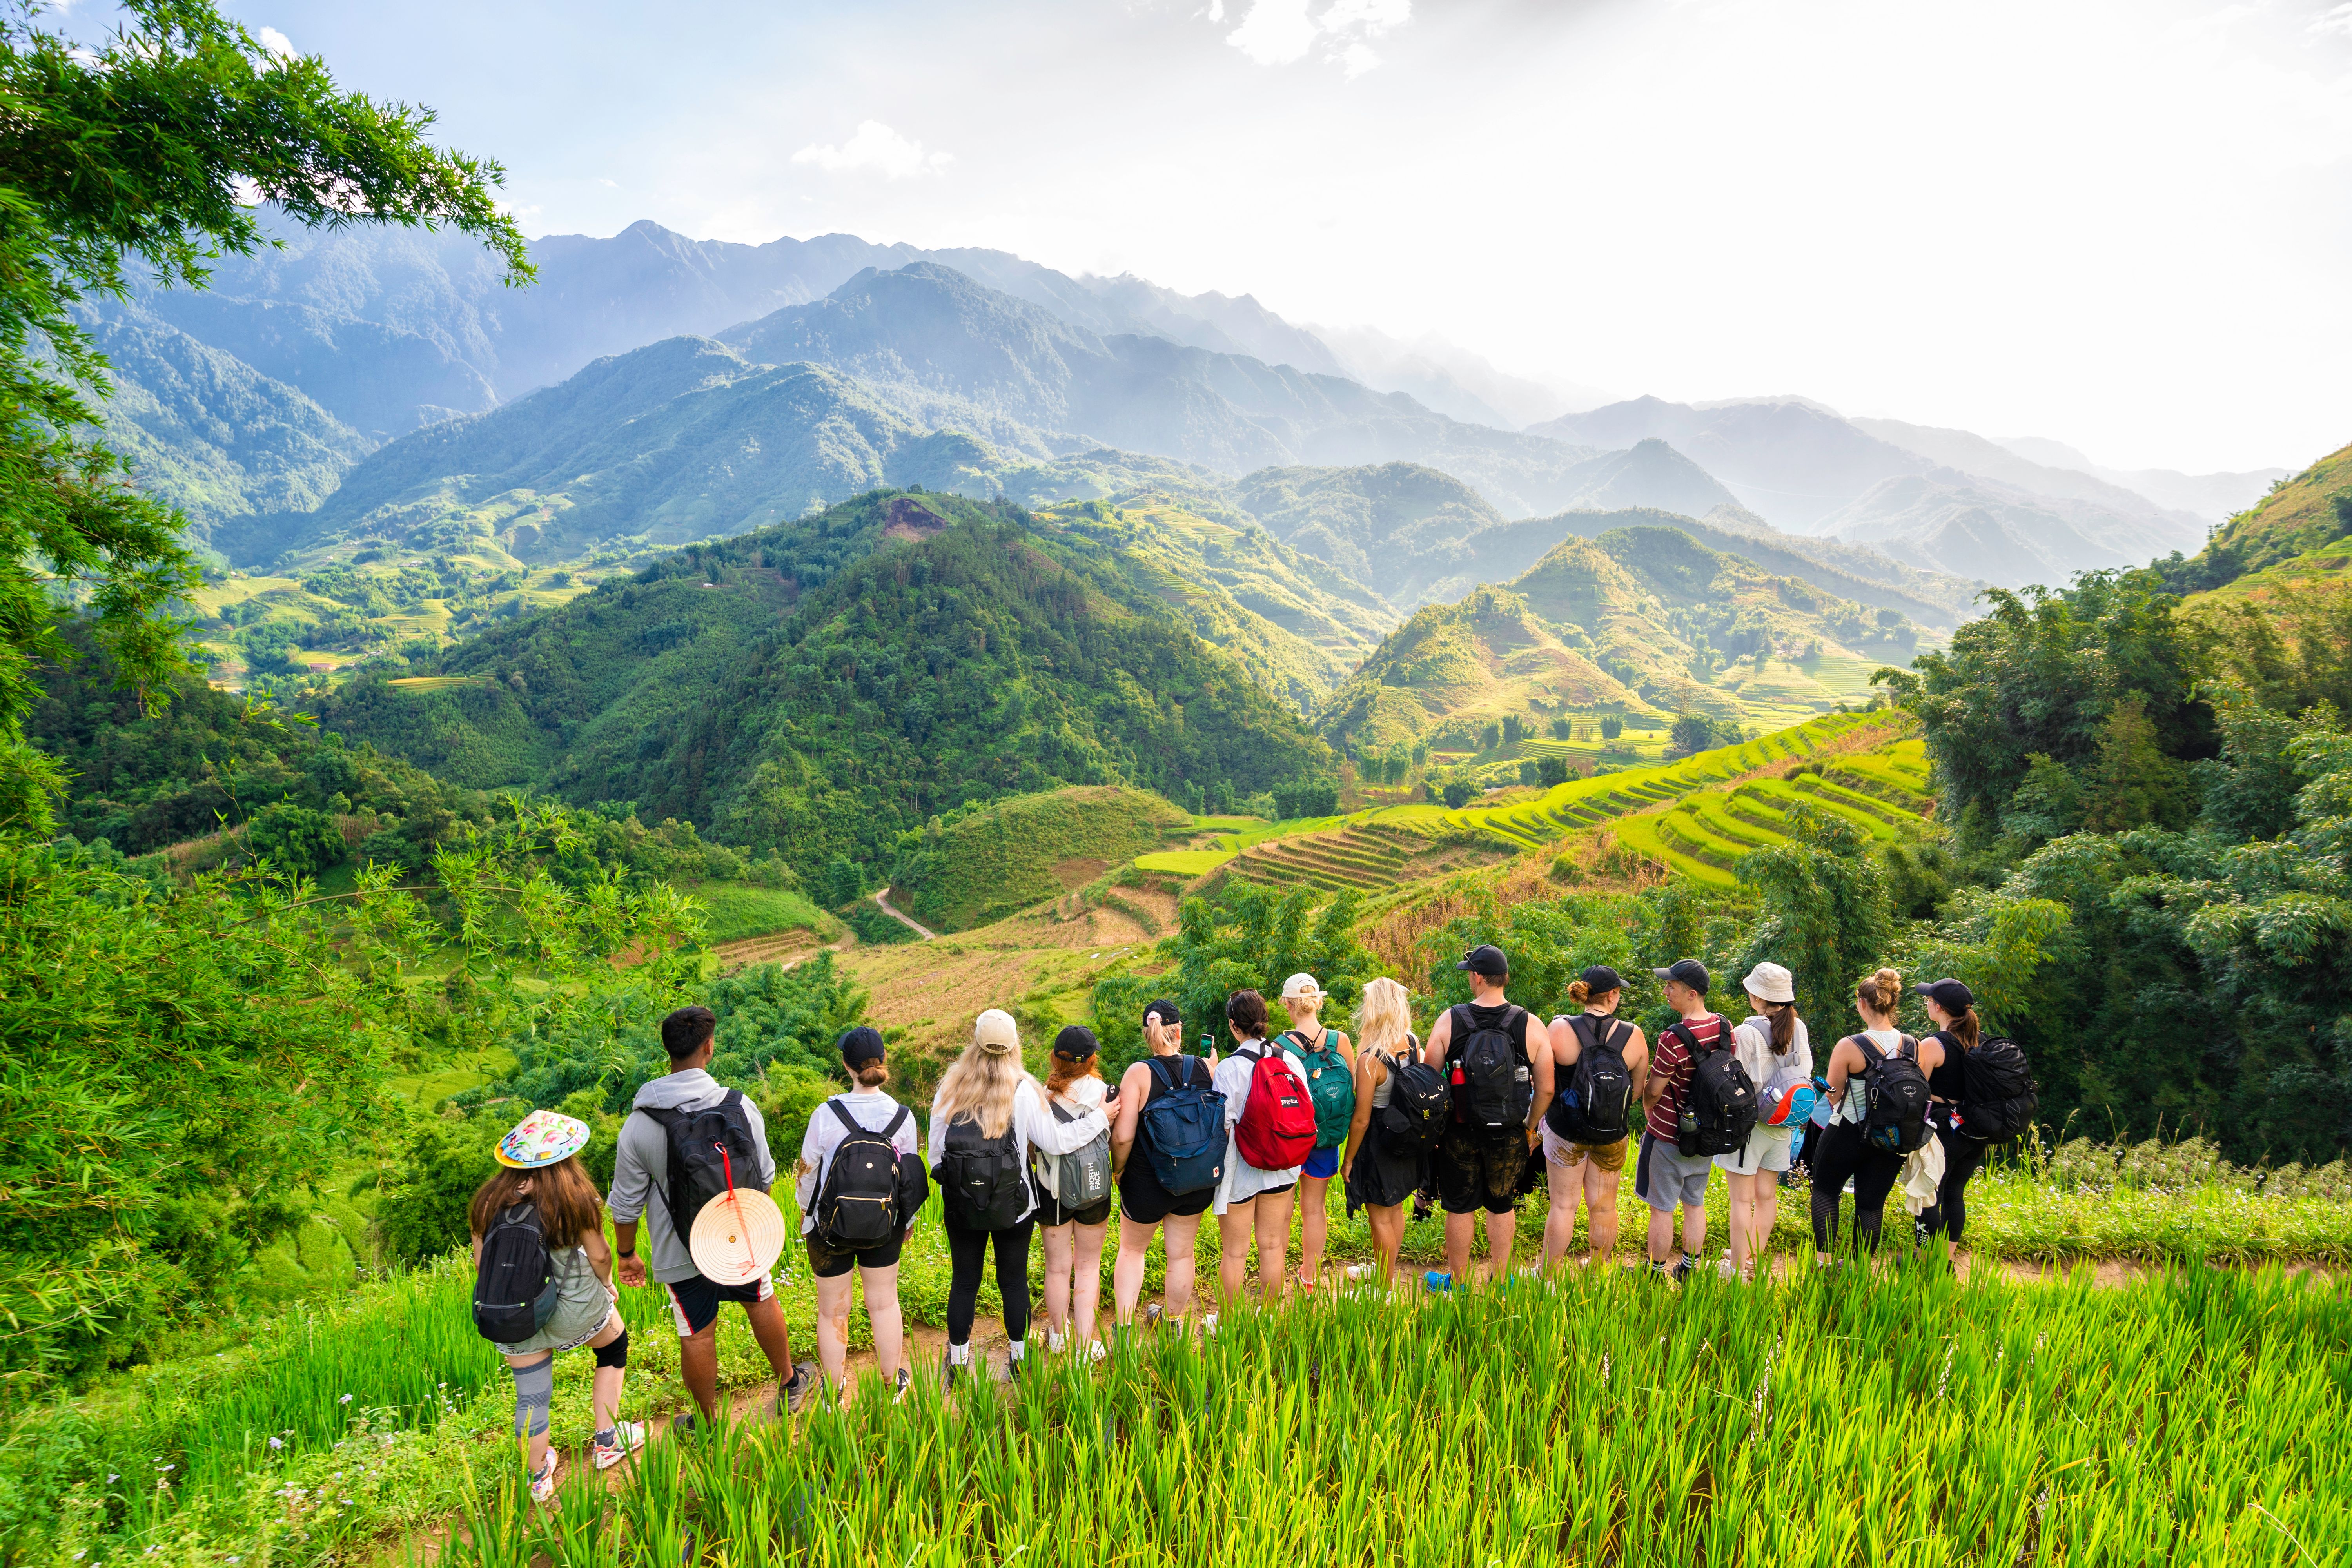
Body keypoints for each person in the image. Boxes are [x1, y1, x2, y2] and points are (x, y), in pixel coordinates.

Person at [611, 1006, 815, 1433]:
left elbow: (626, 1204)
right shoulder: (741, 1106)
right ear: (709, 1046)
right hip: (740, 1238)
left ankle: (707, 1424)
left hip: (680, 1248)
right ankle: (790, 1381)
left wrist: (627, 1254)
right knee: (761, 1299)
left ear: (668, 1051)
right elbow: (766, 1174)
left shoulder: (640, 1124)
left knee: (698, 1333)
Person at [927, 1009, 1108, 1387]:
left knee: (964, 1281)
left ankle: (959, 1362)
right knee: (1013, 1280)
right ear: (1015, 1045)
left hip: (962, 1204)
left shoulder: (950, 1085)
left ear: (975, 1042)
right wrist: (1101, 1118)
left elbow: (936, 1154)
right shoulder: (1024, 1088)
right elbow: (1056, 1142)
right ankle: (1020, 1359)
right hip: (1015, 1204)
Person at [472, 1111, 641, 1502]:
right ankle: (607, 1441)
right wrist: (608, 1284)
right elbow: (599, 1256)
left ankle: (538, 1478)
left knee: (532, 1397)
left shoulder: (487, 1202)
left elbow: (482, 1266)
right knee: (613, 1347)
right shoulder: (574, 1196)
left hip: (514, 1313)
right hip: (574, 1307)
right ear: (564, 1156)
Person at [795, 1027, 918, 1403]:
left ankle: (833, 1394)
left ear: (846, 1066)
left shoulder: (826, 1113)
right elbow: (908, 1179)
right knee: (883, 1302)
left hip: (829, 1228)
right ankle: (890, 1383)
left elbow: (807, 1171)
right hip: (885, 1226)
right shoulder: (903, 1116)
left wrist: (807, 1213)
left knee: (832, 1311)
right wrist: (907, 1224)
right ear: (882, 1062)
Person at [1422, 945, 1554, 1290]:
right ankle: (1502, 1279)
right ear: (1505, 978)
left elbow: (1429, 1081)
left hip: (1459, 1132)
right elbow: (1547, 1089)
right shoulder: (1531, 1024)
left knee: (1460, 1207)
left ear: (1478, 977)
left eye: (1469, 972)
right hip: (1510, 1131)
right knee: (1501, 1204)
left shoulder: (1451, 1019)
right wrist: (1529, 1128)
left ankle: (1459, 1282)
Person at [1811, 968, 1945, 1261]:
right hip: (1892, 1137)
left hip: (1847, 1130)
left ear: (1861, 1003)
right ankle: (1859, 1271)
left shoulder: (1850, 1045)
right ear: (1892, 1004)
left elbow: (1834, 1093)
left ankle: (1823, 1265)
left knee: (1825, 1191)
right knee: (1871, 1206)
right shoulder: (1914, 1045)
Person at [1110, 1000, 1214, 1332]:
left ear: (1147, 1034)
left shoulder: (1138, 1073)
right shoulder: (1204, 1068)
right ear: (1179, 1030)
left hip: (1147, 1181)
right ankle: (1171, 1321)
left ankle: (1124, 1330)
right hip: (1196, 1179)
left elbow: (1124, 1137)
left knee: (1132, 1250)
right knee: (1182, 1254)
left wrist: (1118, 1169)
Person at [1211, 989, 1312, 1321]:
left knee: (1235, 1252)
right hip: (1284, 1165)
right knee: (1271, 1247)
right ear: (1265, 1021)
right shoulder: (1290, 1058)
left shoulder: (1230, 1067)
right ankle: (1268, 1316)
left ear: (1233, 1026)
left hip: (1242, 1168)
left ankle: (1229, 1325)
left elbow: (1222, 1124)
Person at [1539, 966, 1649, 1270]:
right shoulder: (1635, 1036)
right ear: (1612, 995)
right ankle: (1597, 1270)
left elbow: (1544, 1085)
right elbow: (1637, 1092)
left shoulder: (1559, 1029)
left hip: (1565, 1132)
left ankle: (1547, 1276)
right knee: (1603, 1206)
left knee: (1563, 1206)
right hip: (1611, 1134)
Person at [1714, 962, 1812, 1280]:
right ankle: (1751, 1256)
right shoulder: (1799, 1028)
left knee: (1741, 1199)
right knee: (1766, 1196)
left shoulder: (1745, 1033)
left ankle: (1737, 1271)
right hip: (1785, 1122)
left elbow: (1734, 1083)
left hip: (1751, 1127)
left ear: (1756, 998)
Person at [1635, 959, 1729, 1281]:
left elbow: (1654, 1089)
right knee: (1694, 1203)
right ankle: (1689, 1270)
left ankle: (1654, 1273)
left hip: (1671, 1135)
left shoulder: (1672, 1038)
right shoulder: (1725, 1028)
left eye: (1671, 987)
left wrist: (1650, 1112)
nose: (1665, 992)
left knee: (1662, 1208)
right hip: (1708, 1134)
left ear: (1692, 994)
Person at [1338, 976, 1428, 1287]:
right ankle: (1383, 1272)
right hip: (1409, 1138)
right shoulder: (1414, 1043)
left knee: (1380, 1217)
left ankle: (1383, 1288)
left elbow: (1361, 1120)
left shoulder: (1370, 1059)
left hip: (1379, 1141)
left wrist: (1349, 1159)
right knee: (1396, 1209)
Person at [1034, 1025, 1114, 1359]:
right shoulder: (1107, 1093)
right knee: (1088, 1265)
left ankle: (1057, 1336)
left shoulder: (1040, 1095)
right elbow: (1119, 1140)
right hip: (1095, 1185)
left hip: (1051, 1189)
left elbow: (1030, 1145)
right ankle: (1084, 1345)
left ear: (1055, 1057)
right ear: (1093, 1058)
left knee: (1056, 1267)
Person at [1277, 972, 1356, 1292]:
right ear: (1318, 1002)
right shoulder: (1341, 1041)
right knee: (1315, 1210)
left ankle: (1275, 1277)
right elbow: (1353, 1091)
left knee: (1282, 1212)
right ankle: (1309, 1278)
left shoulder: (1279, 1047)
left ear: (1288, 1005)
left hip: (1290, 1141)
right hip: (1326, 1139)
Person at [1915, 978, 1988, 1266]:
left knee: (1928, 1194)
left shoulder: (1933, 1044)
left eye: (1929, 1000)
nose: (1927, 1003)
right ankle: (1944, 1261)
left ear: (1939, 1008)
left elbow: (1915, 1090)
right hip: (1973, 1130)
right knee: (1954, 1194)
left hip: (1944, 1130)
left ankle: (1923, 1260)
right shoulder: (1976, 1042)